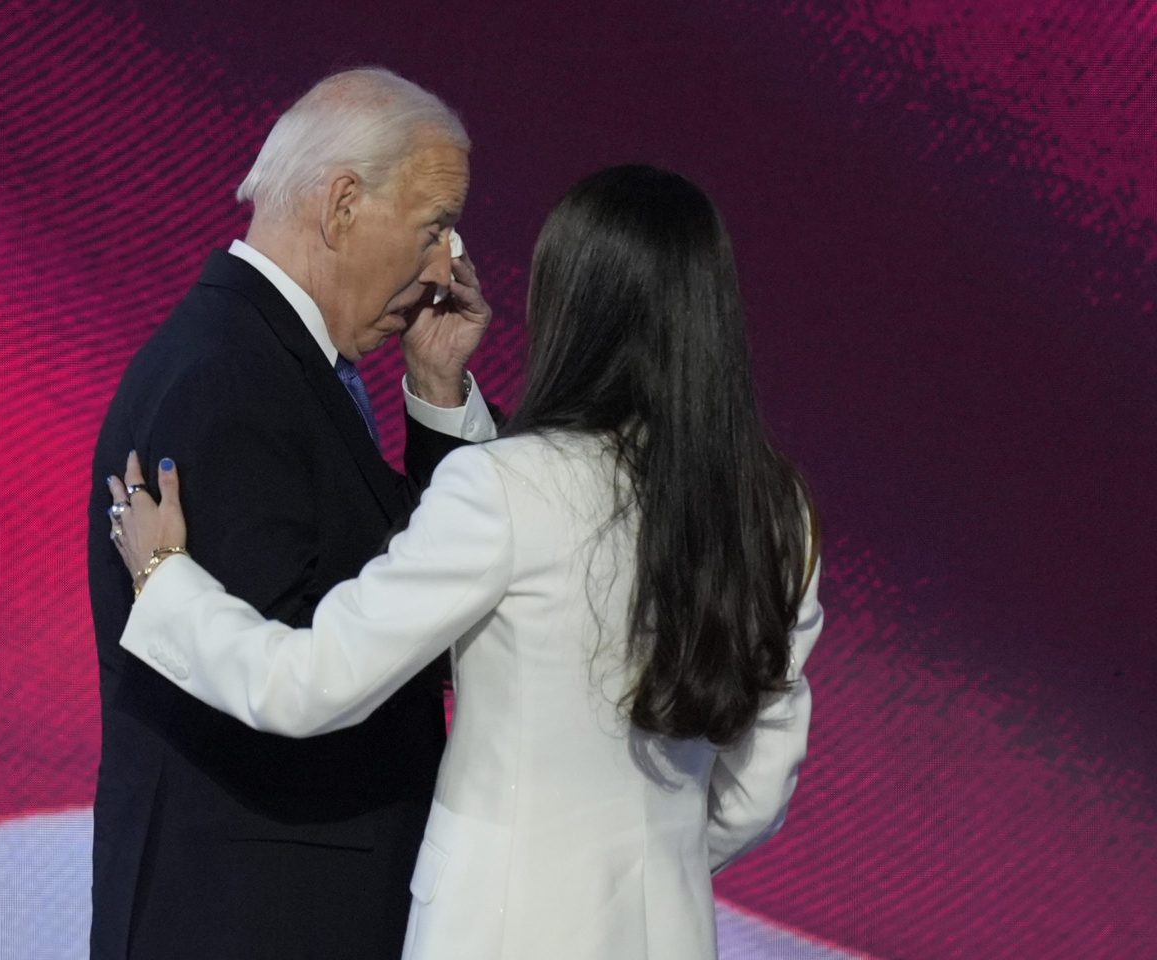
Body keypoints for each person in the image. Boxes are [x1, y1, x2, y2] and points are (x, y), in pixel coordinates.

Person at [102, 165, 824, 959]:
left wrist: (165, 580)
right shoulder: (776, 513)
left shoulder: (506, 487)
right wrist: (647, 862)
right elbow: (756, 791)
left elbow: (309, 682)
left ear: (570, 308)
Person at [87, 68, 498, 960]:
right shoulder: (226, 378)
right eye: (433, 232)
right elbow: (318, 657)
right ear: (343, 204)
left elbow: (415, 585)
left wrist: (435, 395)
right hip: (255, 917)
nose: (447, 272)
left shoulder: (279, 366)